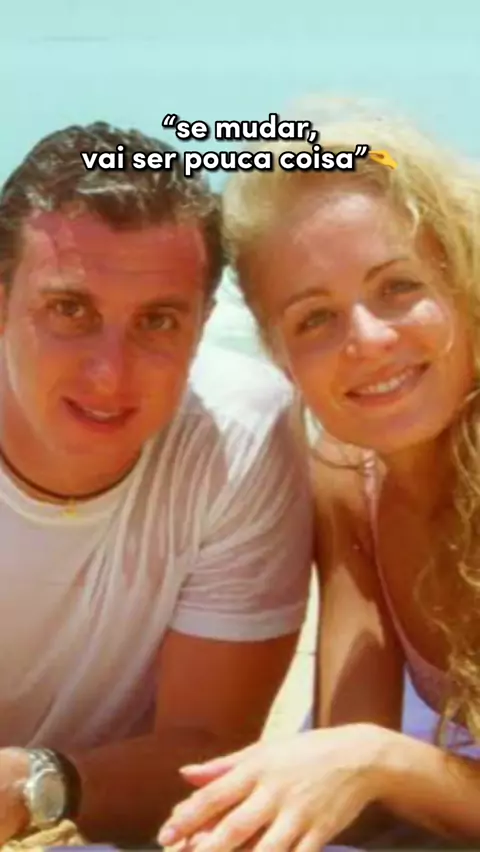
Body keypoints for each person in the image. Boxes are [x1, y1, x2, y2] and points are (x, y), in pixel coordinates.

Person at [157, 103, 480, 851]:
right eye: (314, 318)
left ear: (462, 281)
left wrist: (382, 763)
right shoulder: (347, 476)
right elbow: (348, 768)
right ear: (280, 357)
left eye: (398, 287)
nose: (368, 339)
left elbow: (367, 759)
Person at [0, 121, 313, 846]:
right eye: (70, 309)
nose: (109, 373)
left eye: (158, 321)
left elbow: (206, 755)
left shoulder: (240, 434)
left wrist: (32, 784)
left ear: (203, 325)